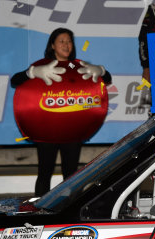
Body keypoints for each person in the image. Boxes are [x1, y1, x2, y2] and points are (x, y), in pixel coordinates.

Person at [10, 28, 112, 196]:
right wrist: (32, 72)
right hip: (46, 131)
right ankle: (39, 212)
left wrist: (101, 70)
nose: (66, 45)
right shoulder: (42, 64)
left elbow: (106, 79)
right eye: (62, 41)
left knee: (71, 175)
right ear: (52, 45)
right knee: (45, 172)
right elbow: (15, 80)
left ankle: (68, 212)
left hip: (72, 131)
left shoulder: (76, 66)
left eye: (69, 41)